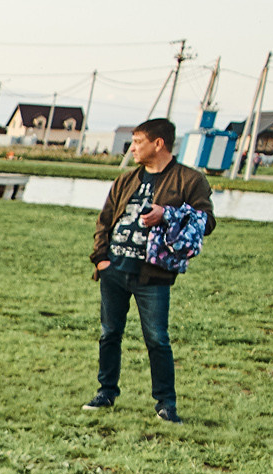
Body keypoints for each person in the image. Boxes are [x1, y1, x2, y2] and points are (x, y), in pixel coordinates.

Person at [85, 117, 211, 424]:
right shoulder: (127, 179)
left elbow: (205, 221)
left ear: (159, 143)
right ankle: (106, 391)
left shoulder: (189, 181)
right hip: (115, 269)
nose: (133, 148)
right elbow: (105, 220)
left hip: (153, 275)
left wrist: (166, 214)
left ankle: (165, 404)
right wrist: (101, 259)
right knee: (109, 333)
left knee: (157, 338)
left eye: (139, 142)